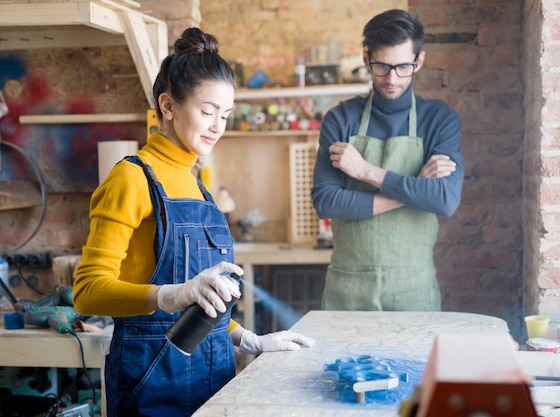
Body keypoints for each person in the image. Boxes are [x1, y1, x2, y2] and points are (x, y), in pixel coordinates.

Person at [73, 28, 314, 417]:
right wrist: (167, 295)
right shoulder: (132, 178)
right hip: (150, 379)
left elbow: (200, 306)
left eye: (226, 115)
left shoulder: (200, 189)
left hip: (214, 377)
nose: (218, 125)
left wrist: (247, 339)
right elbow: (86, 291)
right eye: (207, 111)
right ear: (167, 106)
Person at [311, 9, 464, 312]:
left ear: (418, 61)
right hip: (347, 290)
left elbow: (445, 200)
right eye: (382, 65)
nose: (392, 78)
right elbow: (326, 201)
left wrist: (366, 171)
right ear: (367, 58)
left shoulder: (439, 119)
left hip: (414, 290)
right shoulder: (341, 118)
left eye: (403, 66)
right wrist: (417, 189)